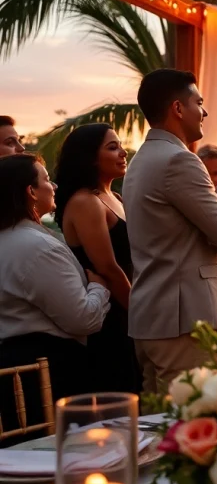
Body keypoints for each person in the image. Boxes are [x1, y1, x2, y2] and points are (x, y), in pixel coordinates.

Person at [122, 69, 217, 394]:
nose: (204, 111)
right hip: (186, 322)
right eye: (199, 102)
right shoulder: (180, 160)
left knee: (159, 429)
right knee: (191, 425)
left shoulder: (141, 160)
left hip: (152, 317)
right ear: (178, 108)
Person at [0, 153, 110, 445]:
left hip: (15, 375)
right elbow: (83, 318)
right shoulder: (37, 248)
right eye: (47, 179)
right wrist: (99, 287)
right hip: (50, 376)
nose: (55, 186)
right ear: (30, 191)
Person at [54, 124, 140, 393]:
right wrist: (141, 316)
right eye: (112, 147)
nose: (122, 152)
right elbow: (108, 268)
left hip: (131, 305)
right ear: (90, 157)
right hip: (114, 317)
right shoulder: (85, 202)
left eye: (120, 145)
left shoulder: (114, 197)